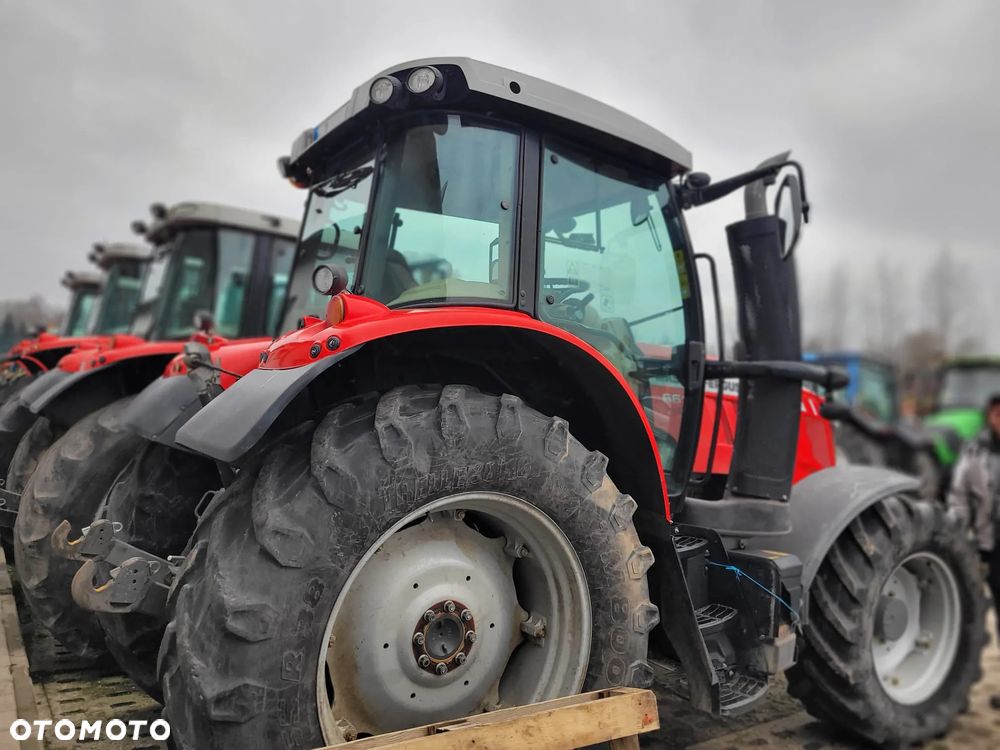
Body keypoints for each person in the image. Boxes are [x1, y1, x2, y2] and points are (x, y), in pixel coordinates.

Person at [947, 392, 1000, 708]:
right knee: (969, 616)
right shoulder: (975, 452)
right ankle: (957, 691)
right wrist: (957, 534)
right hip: (985, 547)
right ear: (990, 417)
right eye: (996, 414)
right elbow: (960, 496)